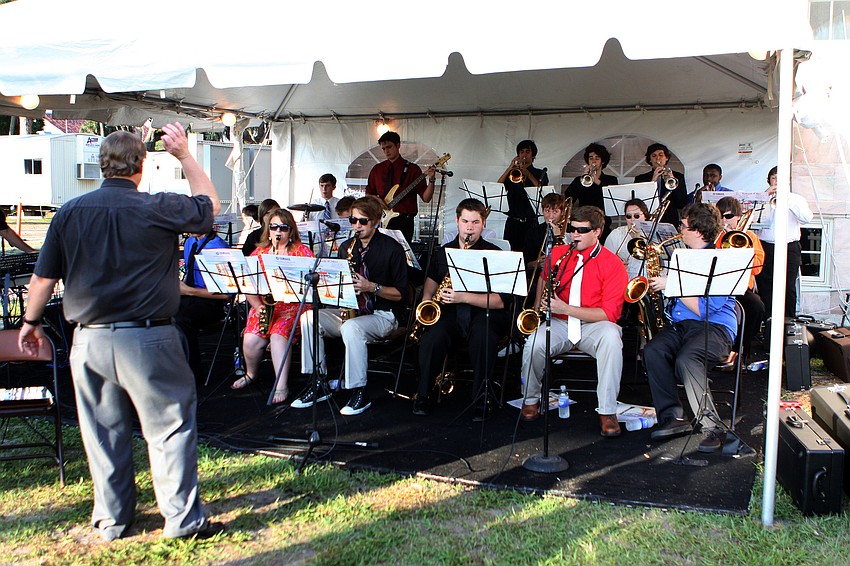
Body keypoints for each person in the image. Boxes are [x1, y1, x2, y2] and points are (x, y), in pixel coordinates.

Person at [18, 124, 223, 540]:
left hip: (89, 340)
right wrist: (184, 155)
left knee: (102, 432)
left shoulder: (68, 213)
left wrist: (30, 323)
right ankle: (181, 521)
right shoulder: (157, 207)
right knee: (169, 428)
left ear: (101, 165)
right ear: (140, 166)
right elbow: (210, 206)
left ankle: (113, 520)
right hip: (149, 338)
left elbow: (42, 281)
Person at [294, 196, 409, 415]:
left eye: (363, 221)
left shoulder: (392, 249)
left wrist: (371, 287)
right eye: (353, 221)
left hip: (384, 313)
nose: (357, 226)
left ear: (375, 220)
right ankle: (317, 380)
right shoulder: (347, 247)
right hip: (352, 310)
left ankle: (359, 391)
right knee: (309, 318)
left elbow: (401, 295)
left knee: (351, 328)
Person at [519, 206, 628, 437]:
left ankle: (608, 411)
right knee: (533, 344)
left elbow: (609, 314)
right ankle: (530, 398)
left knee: (611, 338)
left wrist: (566, 308)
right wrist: (538, 306)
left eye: (582, 230)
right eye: (572, 229)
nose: (574, 235)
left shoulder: (613, 263)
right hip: (560, 322)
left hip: (593, 325)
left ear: (597, 231)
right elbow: (543, 277)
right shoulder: (558, 254)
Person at [644, 203, 738, 454]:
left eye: (683, 226)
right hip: (683, 326)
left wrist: (672, 284)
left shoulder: (722, 261)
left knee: (688, 359)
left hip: (715, 328)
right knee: (653, 350)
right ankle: (673, 416)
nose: (679, 231)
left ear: (697, 230)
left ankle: (713, 427)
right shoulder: (682, 256)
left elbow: (705, 310)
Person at [413, 198, 512, 421]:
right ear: (457, 221)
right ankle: (423, 394)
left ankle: (481, 397)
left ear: (483, 224)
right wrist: (427, 304)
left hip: (485, 313)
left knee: (483, 337)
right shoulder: (443, 251)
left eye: (475, 222)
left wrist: (463, 297)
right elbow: (431, 283)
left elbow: (501, 302)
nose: (469, 227)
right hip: (449, 312)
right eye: (465, 221)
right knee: (431, 339)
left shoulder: (496, 254)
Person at [231, 208, 314, 404]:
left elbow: (312, 286)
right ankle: (251, 373)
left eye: (283, 228)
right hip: (266, 306)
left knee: (278, 334)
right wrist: (258, 306)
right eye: (274, 227)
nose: (278, 232)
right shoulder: (259, 252)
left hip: (293, 306)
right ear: (268, 230)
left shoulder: (302, 253)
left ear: (290, 231)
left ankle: (281, 385)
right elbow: (247, 283)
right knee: (250, 340)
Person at [754, 166, 814, 320]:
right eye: (774, 178)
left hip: (789, 247)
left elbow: (806, 218)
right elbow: (752, 220)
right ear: (769, 180)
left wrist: (787, 200)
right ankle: (766, 324)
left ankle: (788, 323)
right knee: (765, 286)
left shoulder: (796, 199)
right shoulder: (760, 198)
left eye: (780, 179)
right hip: (766, 245)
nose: (777, 182)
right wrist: (763, 199)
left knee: (788, 287)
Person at [175, 227, 231, 383]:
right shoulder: (190, 242)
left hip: (212, 302)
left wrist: (189, 291)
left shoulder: (219, 248)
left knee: (180, 318)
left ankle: (193, 373)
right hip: (190, 296)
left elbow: (226, 293)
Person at [715, 196, 765, 359]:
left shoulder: (750, 237)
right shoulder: (715, 237)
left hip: (741, 288)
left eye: (728, 216)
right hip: (719, 287)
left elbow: (757, 267)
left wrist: (741, 250)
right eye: (720, 216)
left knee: (757, 307)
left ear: (738, 217)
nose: (724, 220)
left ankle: (742, 349)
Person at [365, 131, 435, 242]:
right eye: (383, 149)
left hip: (404, 221)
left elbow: (426, 198)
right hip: (382, 219)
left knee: (402, 255)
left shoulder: (413, 169)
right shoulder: (377, 170)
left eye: (389, 147)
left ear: (398, 146)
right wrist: (378, 200)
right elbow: (368, 194)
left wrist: (431, 180)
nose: (386, 151)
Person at [498, 139, 549, 251]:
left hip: (531, 222)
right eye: (521, 152)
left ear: (533, 155)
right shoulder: (512, 172)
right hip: (513, 222)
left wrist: (528, 174)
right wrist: (509, 168)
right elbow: (498, 186)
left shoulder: (540, 173)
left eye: (527, 152)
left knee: (530, 253)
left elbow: (541, 190)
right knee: (511, 253)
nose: (524, 155)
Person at [562, 143, 619, 240]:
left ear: (603, 161)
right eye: (591, 158)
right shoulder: (579, 180)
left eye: (597, 158)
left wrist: (597, 181)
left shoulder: (611, 180)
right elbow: (569, 197)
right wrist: (582, 179)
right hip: (583, 222)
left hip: (602, 223)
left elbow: (612, 201)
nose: (593, 161)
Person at [634, 143, 687, 227]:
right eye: (654, 156)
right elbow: (639, 203)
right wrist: (653, 181)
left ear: (666, 158)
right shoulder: (640, 179)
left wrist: (672, 181)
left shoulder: (678, 177)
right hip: (647, 219)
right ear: (650, 160)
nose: (657, 158)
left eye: (661, 155)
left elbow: (682, 203)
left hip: (670, 221)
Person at [603, 198, 649, 280]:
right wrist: (617, 264)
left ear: (645, 216)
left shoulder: (653, 234)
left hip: (647, 279)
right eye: (628, 216)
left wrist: (638, 238)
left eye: (637, 216)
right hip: (623, 280)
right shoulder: (616, 234)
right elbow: (605, 260)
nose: (632, 219)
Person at [523, 193, 566, 275]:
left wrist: (558, 237)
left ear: (562, 213)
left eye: (555, 212)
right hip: (538, 276)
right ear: (542, 211)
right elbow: (525, 263)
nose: (550, 216)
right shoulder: (533, 232)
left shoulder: (570, 231)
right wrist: (536, 263)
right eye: (547, 211)